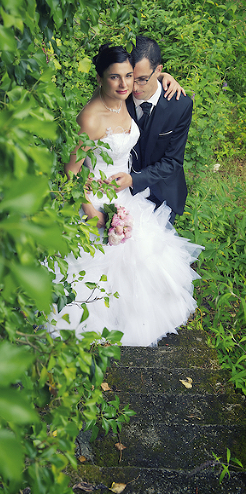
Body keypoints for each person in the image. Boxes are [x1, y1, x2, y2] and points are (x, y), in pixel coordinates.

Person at [48, 45, 202, 347]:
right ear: (100, 78)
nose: (125, 84)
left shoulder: (127, 98)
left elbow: (146, 82)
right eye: (115, 77)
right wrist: (90, 211)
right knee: (99, 264)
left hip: (127, 194)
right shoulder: (91, 119)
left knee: (141, 261)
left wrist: (162, 76)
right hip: (95, 198)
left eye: (130, 77)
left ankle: (129, 315)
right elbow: (70, 172)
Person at [109, 35, 194, 224]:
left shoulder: (179, 106)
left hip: (161, 195)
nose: (134, 87)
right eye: (131, 77)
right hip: (120, 193)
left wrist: (134, 179)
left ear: (158, 70)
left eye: (142, 79)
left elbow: (172, 161)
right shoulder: (117, 95)